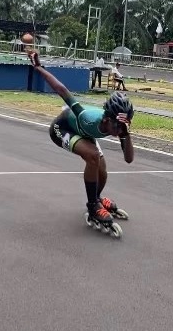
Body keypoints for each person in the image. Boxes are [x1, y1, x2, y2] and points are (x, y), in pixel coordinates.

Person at [26, 48, 135, 227]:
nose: (119, 129)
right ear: (107, 120)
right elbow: (61, 89)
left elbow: (129, 159)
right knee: (92, 156)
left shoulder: (120, 127)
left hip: (84, 133)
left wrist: (126, 134)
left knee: (102, 168)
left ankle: (96, 198)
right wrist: (38, 67)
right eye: (117, 125)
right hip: (62, 128)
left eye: (125, 124)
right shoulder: (87, 117)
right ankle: (93, 206)